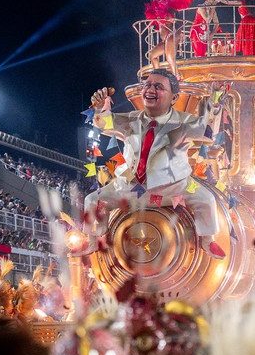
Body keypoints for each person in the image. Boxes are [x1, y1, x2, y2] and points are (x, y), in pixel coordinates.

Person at [88, 69, 227, 259]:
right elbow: (103, 123)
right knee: (92, 200)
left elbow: (209, 130)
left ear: (174, 97)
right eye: (148, 85)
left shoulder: (184, 122)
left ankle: (207, 241)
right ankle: (91, 240)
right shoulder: (131, 119)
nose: (150, 89)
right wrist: (97, 107)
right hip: (129, 187)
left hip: (173, 188)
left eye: (158, 86)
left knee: (207, 199)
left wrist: (216, 99)